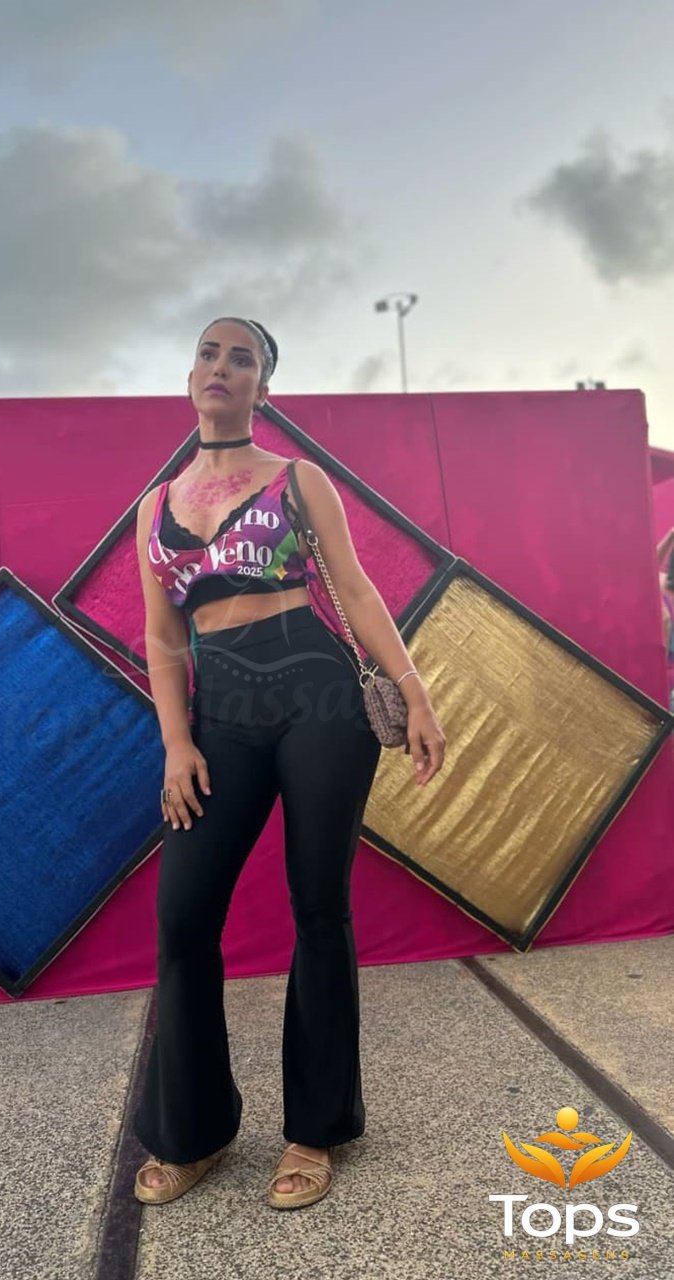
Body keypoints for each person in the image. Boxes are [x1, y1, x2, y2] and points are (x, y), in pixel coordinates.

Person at [132, 316, 446, 1209]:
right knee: (183, 915)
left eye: (244, 358)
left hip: (320, 697)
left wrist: (415, 691)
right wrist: (177, 742)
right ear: (189, 376)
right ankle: (192, 1131)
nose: (222, 366)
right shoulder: (153, 509)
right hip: (220, 714)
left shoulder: (298, 480)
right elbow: (163, 639)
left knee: (318, 905)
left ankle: (316, 1127)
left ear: (262, 388)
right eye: (209, 352)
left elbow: (356, 587)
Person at [658, 528, 674, 708]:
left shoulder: (659, 582)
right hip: (659, 677)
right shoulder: (659, 581)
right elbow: (644, 570)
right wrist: (670, 536)